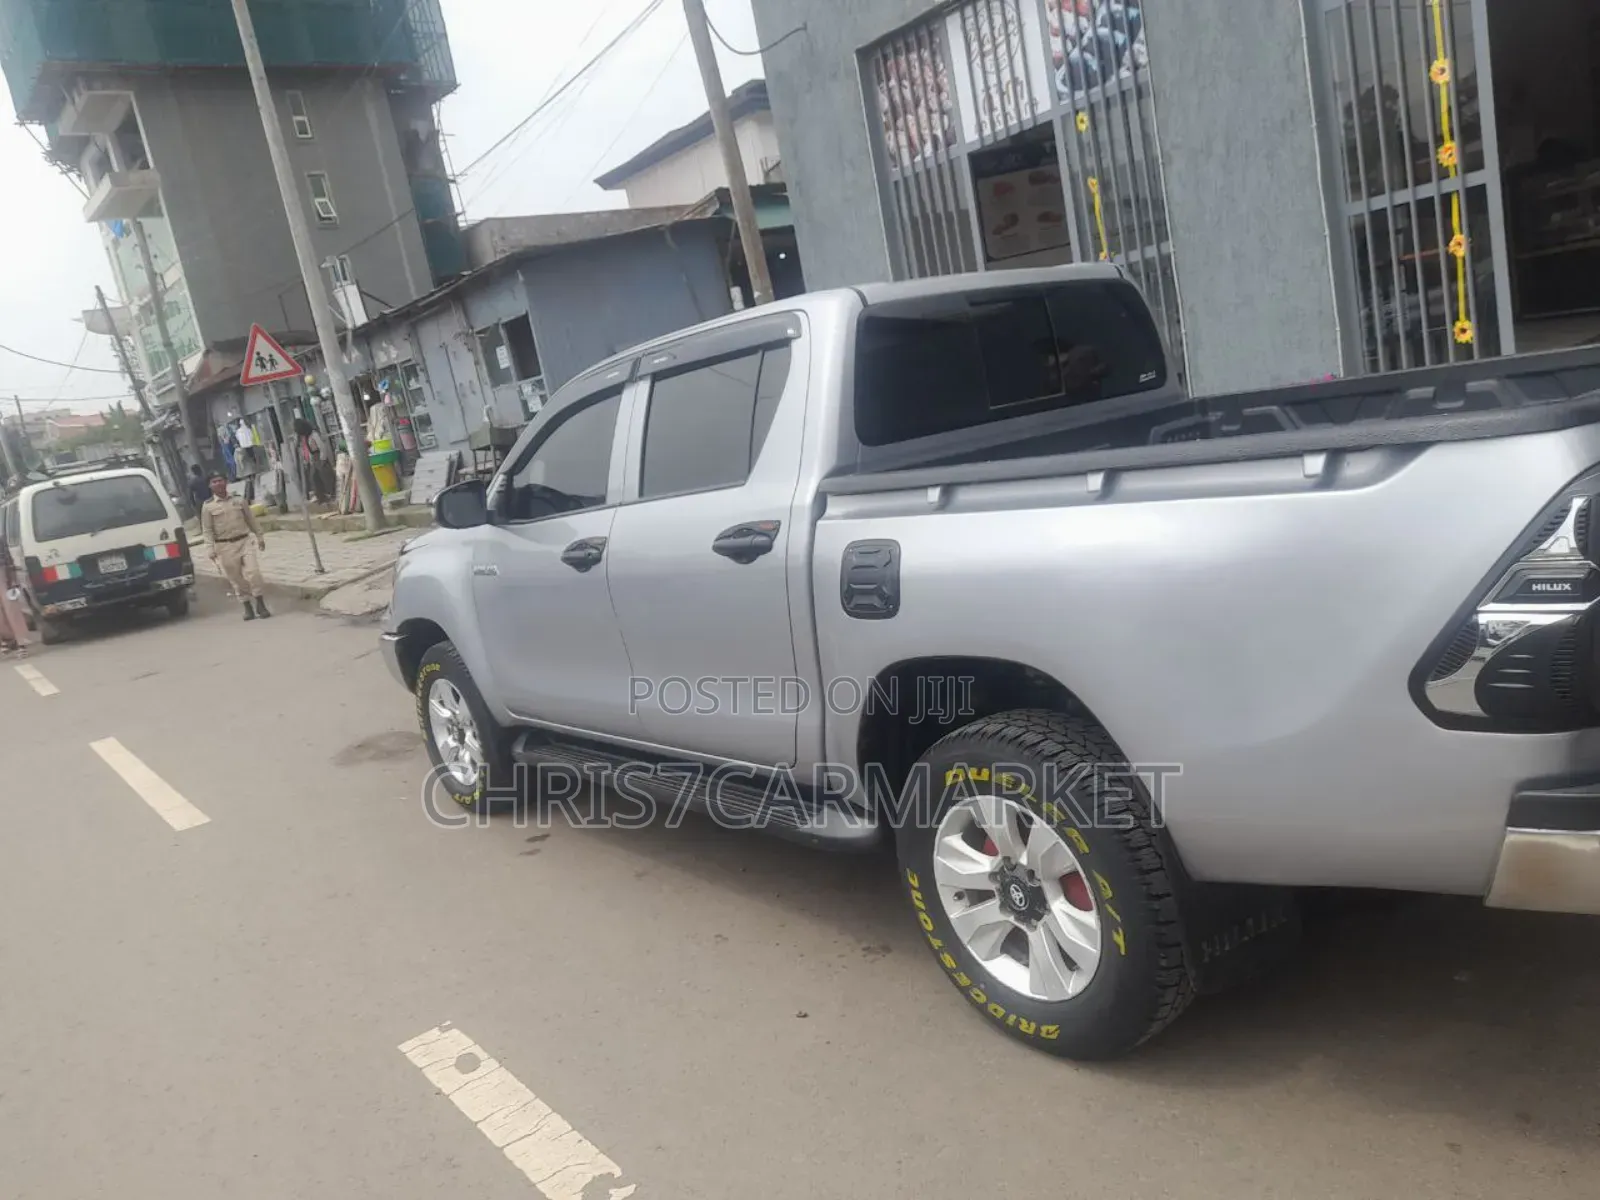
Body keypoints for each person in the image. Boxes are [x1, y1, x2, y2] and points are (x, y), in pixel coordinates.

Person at [200, 473, 271, 621]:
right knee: (236, 578)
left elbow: (251, 519)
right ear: (210, 485)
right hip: (224, 546)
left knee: (254, 573)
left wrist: (260, 537)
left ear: (226, 482)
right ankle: (247, 606)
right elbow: (207, 530)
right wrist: (210, 549)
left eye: (220, 480)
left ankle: (260, 603)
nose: (218, 484)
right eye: (214, 482)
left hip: (244, 541)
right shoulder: (208, 506)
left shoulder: (239, 499)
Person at [0, 525, 31, 657]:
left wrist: (12, 579)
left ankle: (21, 643)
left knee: (12, 609)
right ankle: (5, 641)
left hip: (3, 574)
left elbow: (8, 559)